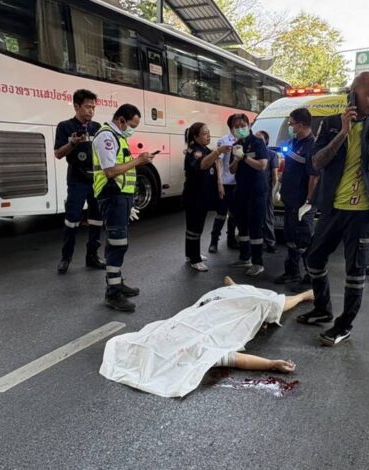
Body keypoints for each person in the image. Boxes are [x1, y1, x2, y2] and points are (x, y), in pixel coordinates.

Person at [296, 72, 369, 346]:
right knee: (314, 259)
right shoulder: (330, 125)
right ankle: (322, 309)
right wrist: (343, 132)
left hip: (364, 213)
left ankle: (344, 325)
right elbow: (317, 163)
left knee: (356, 271)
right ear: (353, 93)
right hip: (332, 208)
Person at [100, 276, 312, 398]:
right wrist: (271, 364)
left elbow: (233, 358)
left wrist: (272, 365)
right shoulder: (195, 347)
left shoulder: (162, 336)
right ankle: (302, 295)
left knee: (243, 298)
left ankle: (234, 287)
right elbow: (234, 359)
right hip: (236, 307)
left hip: (214, 304)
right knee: (272, 305)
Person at [92, 104, 154, 312]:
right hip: (112, 196)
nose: (132, 129)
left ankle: (117, 282)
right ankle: (113, 293)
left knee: (120, 242)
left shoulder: (119, 137)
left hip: (121, 197)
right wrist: (139, 161)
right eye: (132, 125)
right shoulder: (106, 137)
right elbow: (110, 171)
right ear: (120, 120)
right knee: (117, 244)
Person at [54, 89, 105, 274]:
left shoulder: (97, 127)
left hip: (96, 180)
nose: (91, 111)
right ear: (76, 106)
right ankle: (65, 258)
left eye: (93, 107)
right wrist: (73, 143)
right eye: (87, 107)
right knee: (72, 220)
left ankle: (92, 257)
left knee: (96, 220)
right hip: (77, 181)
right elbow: (58, 154)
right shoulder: (65, 126)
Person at [274, 108, 319, 289]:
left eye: (291, 123)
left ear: (300, 125)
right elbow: (288, 166)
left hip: (302, 201)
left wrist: (309, 201)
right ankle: (292, 272)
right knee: (291, 237)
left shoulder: (313, 146)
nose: (290, 126)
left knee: (304, 239)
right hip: (290, 198)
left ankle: (312, 275)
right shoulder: (293, 142)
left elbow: (314, 177)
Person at [226, 113, 272, 276]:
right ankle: (244, 257)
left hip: (257, 191)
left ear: (249, 125)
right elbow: (231, 170)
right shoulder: (237, 145)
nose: (239, 129)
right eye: (235, 127)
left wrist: (244, 157)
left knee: (255, 226)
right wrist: (237, 159)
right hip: (241, 190)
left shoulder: (257, 142)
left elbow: (262, 165)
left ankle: (258, 263)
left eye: (242, 125)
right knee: (241, 224)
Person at [182, 122, 231, 271]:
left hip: (202, 196)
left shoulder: (204, 149)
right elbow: (202, 165)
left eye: (208, 132)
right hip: (194, 196)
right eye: (204, 133)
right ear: (196, 137)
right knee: (194, 228)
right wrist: (217, 152)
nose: (208, 135)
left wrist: (219, 184)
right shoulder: (195, 151)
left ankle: (191, 254)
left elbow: (215, 164)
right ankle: (195, 259)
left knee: (196, 227)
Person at [209, 133, 238, 253]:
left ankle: (231, 239)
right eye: (237, 126)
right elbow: (218, 162)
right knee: (221, 214)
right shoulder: (224, 141)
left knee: (234, 215)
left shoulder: (245, 142)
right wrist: (220, 183)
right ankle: (214, 242)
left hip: (238, 184)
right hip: (226, 183)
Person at [255, 130, 279, 254]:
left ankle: (270, 243)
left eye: (260, 139)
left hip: (266, 190)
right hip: (253, 189)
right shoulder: (252, 154)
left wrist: (275, 192)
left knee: (267, 217)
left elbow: (275, 175)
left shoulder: (272, 154)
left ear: (266, 141)